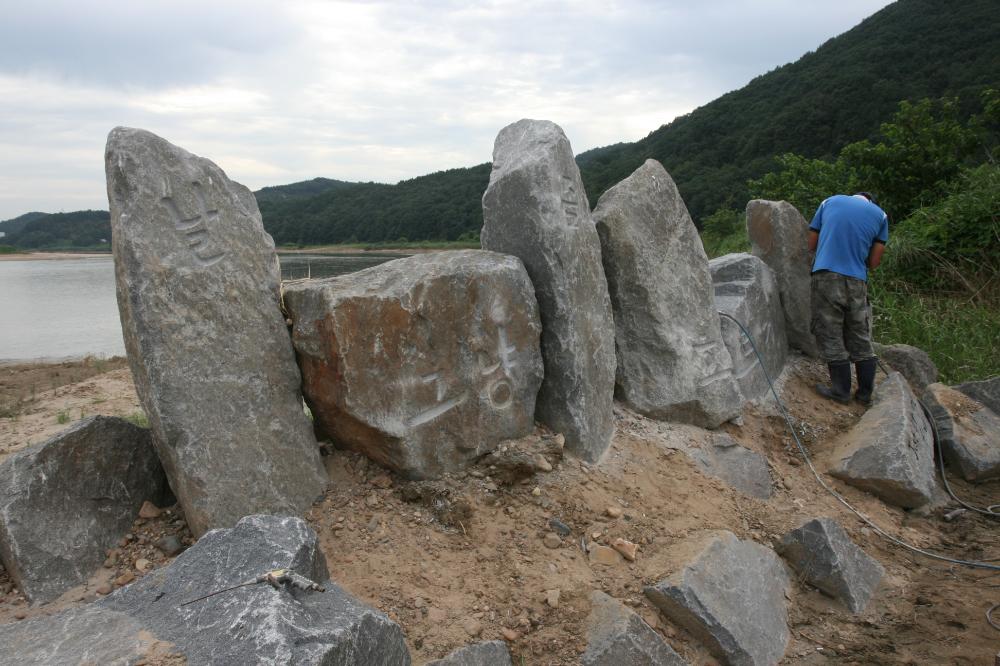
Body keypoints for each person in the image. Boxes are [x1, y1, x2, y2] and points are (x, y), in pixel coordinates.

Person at [808, 192, 888, 406]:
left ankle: (841, 391)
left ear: (854, 196)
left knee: (830, 330)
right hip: (857, 280)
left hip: (826, 275)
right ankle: (864, 394)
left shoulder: (829, 202)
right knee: (860, 334)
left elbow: (812, 243)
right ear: (870, 201)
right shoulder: (881, 216)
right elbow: (874, 261)